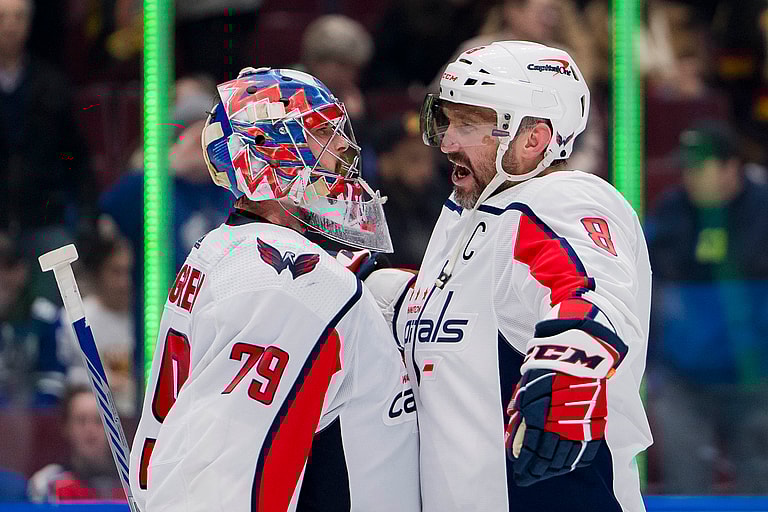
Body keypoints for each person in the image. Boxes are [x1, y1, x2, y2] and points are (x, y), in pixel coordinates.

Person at [366, 41, 652, 511]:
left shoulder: (561, 199)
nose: (447, 142)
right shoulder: (465, 216)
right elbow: (460, 316)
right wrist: (362, 284)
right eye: (446, 119)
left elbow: (590, 293)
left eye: (469, 125)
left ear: (533, 139)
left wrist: (568, 368)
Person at [128, 67, 419, 511]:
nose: (343, 145)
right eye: (322, 132)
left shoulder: (228, 248)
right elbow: (226, 470)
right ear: (273, 154)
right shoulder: (294, 285)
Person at [646, 119, 768, 493]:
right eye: (686, 169)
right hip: (685, 384)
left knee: (759, 489)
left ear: (731, 166)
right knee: (685, 491)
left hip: (757, 386)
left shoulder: (764, 211)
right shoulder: (670, 212)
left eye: (700, 168)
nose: (691, 178)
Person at [28, 384, 124, 503]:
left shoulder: (131, 484)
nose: (90, 429)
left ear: (114, 428)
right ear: (66, 427)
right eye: (81, 420)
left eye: (99, 421)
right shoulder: (47, 483)